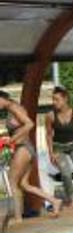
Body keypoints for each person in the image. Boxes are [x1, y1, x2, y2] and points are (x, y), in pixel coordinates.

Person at [0, 90, 62, 221]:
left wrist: (12, 140)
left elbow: (30, 124)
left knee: (12, 182)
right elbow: (18, 128)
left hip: (23, 149)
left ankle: (18, 219)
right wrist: (7, 137)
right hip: (26, 148)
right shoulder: (12, 108)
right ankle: (54, 201)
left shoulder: (14, 107)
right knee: (24, 184)